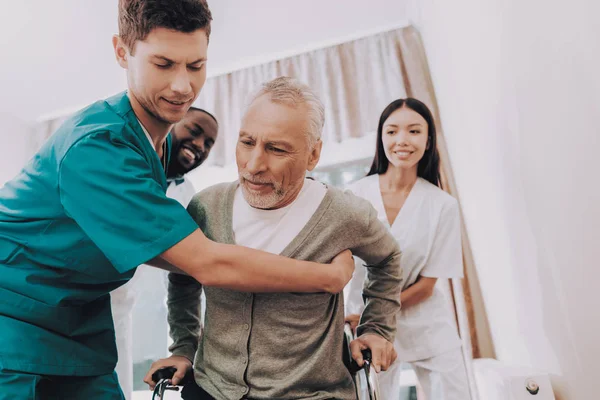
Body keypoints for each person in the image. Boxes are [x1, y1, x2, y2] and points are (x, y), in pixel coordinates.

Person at [0, 2, 354, 399]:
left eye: (195, 65)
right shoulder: (97, 148)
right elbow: (203, 261)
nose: (183, 86)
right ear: (122, 52)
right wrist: (328, 277)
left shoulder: (158, 149)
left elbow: (157, 244)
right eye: (163, 64)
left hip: (79, 328)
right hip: (13, 326)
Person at [144, 77, 403, 400]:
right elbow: (184, 278)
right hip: (214, 389)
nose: (254, 165)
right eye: (247, 142)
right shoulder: (207, 207)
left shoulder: (344, 214)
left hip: (311, 394)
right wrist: (183, 348)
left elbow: (388, 259)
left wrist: (377, 329)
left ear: (313, 155)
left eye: (276, 149)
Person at [344, 98, 471, 400]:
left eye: (414, 131)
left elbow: (427, 286)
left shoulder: (443, 205)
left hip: (424, 322)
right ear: (381, 138)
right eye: (392, 131)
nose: (402, 140)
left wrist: (369, 314)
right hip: (367, 327)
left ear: (428, 142)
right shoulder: (354, 196)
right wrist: (361, 319)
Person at [111, 106, 218, 399]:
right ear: (169, 123)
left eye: (208, 143)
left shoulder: (189, 194)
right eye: (194, 131)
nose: (199, 145)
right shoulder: (129, 165)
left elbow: (190, 269)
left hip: (124, 306)